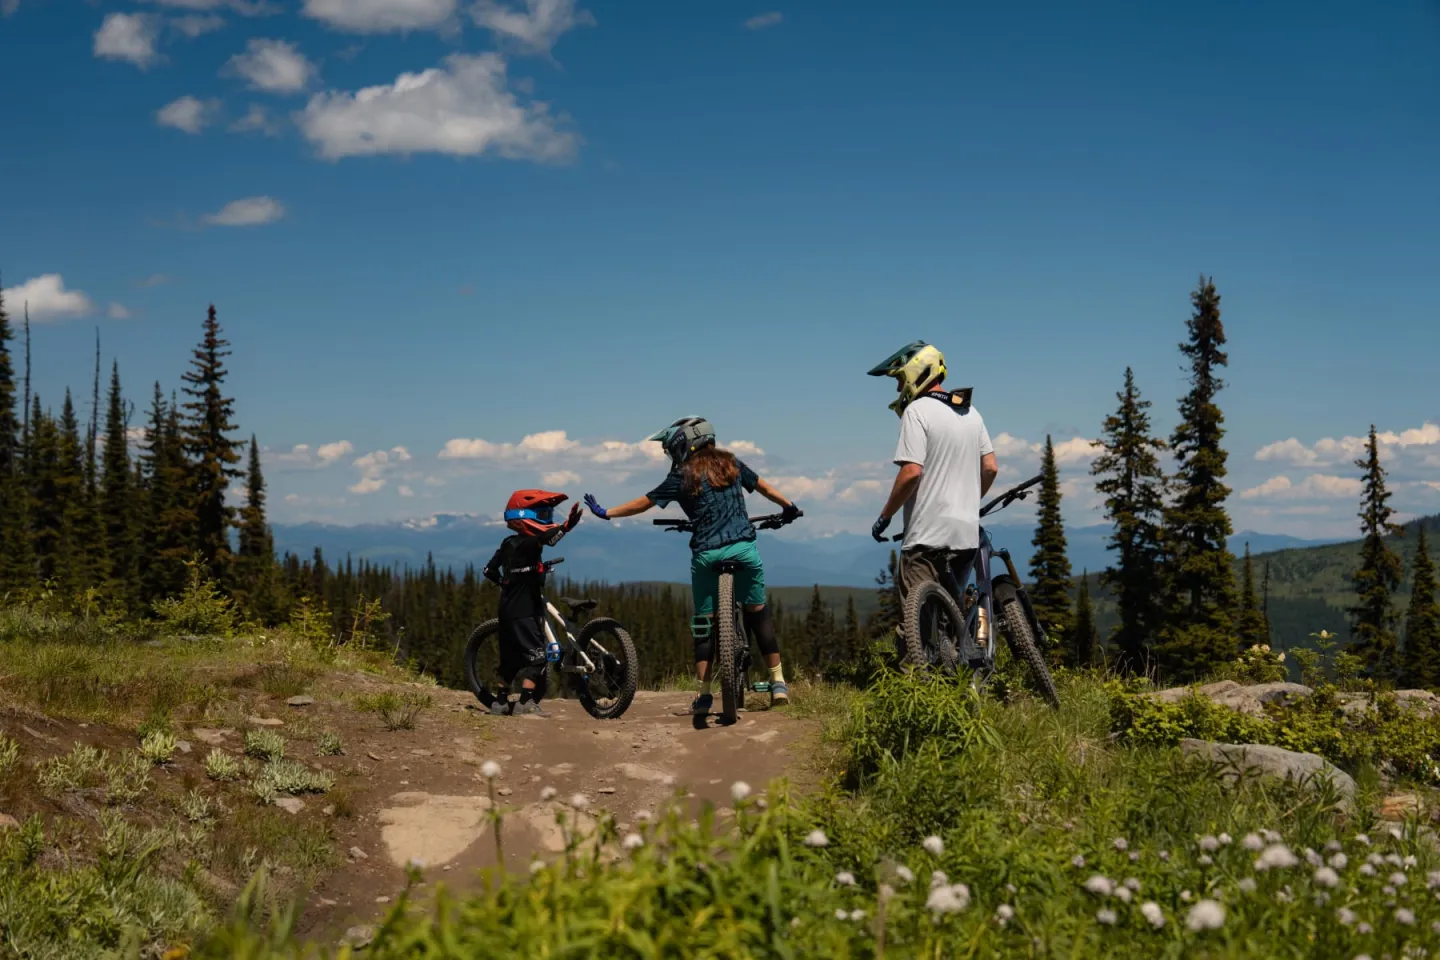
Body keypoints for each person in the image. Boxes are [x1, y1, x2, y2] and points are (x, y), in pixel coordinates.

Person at [582, 417, 800, 714]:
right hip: (744, 549)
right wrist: (788, 507)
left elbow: (644, 503)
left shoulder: (682, 475)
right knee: (758, 614)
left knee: (703, 622)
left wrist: (607, 512)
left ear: (683, 444)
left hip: (707, 555)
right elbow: (763, 487)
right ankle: (778, 684)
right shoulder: (731, 463)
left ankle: (705, 693)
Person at [866, 341, 999, 623]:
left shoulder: (917, 411)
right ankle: (962, 663)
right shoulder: (970, 412)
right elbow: (990, 468)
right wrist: (969, 503)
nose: (899, 389)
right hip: (965, 535)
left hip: (926, 537)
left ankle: (916, 669)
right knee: (952, 620)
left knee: (918, 625)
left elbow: (911, 473)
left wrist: (885, 516)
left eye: (900, 380)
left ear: (917, 373)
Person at [481, 489, 583, 715]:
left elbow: (488, 570)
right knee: (538, 658)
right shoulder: (530, 543)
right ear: (524, 517)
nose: (547, 519)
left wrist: (505, 582)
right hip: (525, 611)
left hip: (506, 609)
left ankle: (499, 703)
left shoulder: (507, 543)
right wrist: (566, 527)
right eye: (543, 515)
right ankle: (525, 703)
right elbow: (549, 538)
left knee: (510, 660)